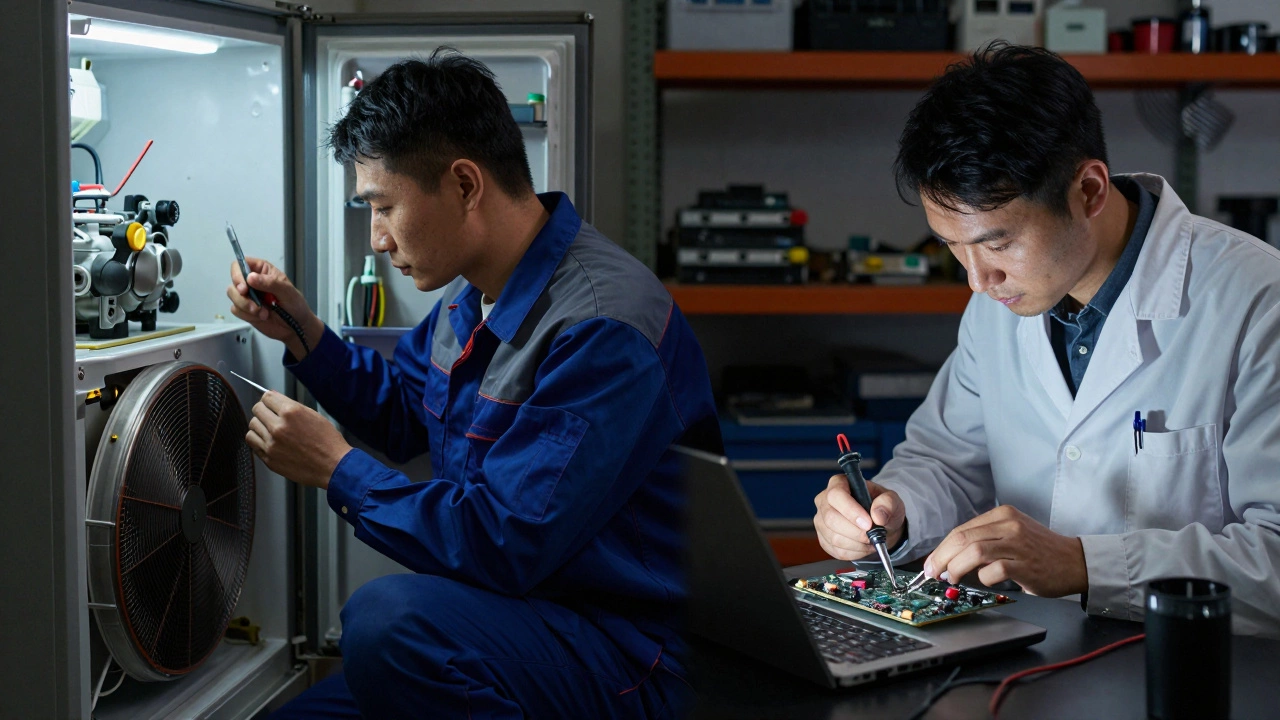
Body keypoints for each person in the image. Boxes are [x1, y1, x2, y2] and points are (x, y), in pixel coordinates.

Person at [229, 52, 720, 718]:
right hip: (513, 625)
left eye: (384, 207)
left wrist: (338, 470)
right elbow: (404, 411)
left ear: (464, 185)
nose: (377, 240)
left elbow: (506, 539)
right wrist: (304, 334)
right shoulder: (473, 298)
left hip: (623, 655)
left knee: (389, 622)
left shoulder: (603, 326)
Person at [813, 43, 1280, 637]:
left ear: (1089, 191)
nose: (977, 280)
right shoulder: (999, 302)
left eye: (998, 243)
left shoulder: (1257, 301)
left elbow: (1275, 556)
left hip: (1195, 662)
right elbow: (948, 462)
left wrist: (1085, 565)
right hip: (1033, 654)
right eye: (952, 246)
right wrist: (893, 511)